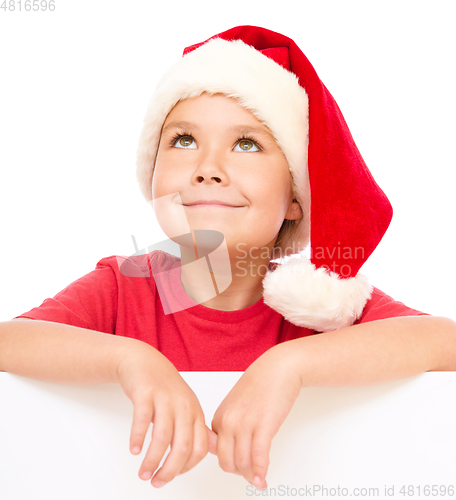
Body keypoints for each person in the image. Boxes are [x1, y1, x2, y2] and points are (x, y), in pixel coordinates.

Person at [1, 25, 455, 491]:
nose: (208, 169)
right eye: (183, 140)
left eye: (246, 144)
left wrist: (292, 366)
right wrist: (128, 359)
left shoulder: (318, 306)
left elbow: (447, 343)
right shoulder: (124, 286)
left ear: (296, 197)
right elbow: (6, 343)